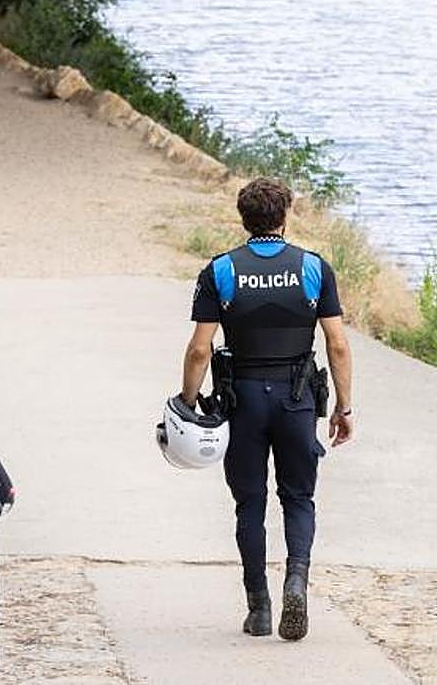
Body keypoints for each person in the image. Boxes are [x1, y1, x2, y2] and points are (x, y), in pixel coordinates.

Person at [181, 177, 354, 641]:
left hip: (244, 402)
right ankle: (296, 578)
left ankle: (258, 606)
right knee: (298, 498)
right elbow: (336, 343)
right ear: (285, 215)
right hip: (297, 399)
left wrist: (188, 402)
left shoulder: (220, 270)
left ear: (244, 217)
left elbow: (201, 349)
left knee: (250, 504)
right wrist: (344, 407)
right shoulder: (314, 267)